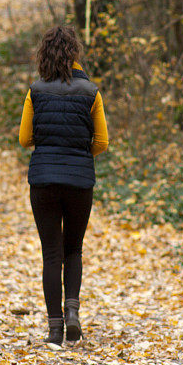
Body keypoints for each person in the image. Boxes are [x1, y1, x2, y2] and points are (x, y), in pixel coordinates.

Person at [18, 25, 109, 347]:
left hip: (43, 180)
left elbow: (25, 138)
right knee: (74, 249)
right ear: (75, 55)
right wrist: (81, 154)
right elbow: (102, 142)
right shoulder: (91, 92)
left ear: (45, 54)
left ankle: (55, 330)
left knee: (51, 254)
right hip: (80, 181)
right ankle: (73, 312)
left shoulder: (36, 90)